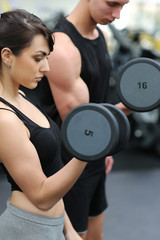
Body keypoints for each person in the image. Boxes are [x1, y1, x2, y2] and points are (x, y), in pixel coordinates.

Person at [20, 1, 132, 239]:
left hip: (96, 151)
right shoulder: (62, 47)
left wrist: (106, 150)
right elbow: (84, 126)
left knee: (95, 235)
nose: (117, 15)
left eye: (123, 5)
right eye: (112, 4)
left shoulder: (99, 34)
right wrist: (134, 103)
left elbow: (97, 102)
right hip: (70, 163)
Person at [0, 9, 90, 240]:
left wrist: (68, 230)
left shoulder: (22, 97)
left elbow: (51, 172)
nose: (46, 68)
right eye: (38, 58)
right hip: (27, 230)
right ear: (7, 55)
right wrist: (86, 153)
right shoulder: (5, 118)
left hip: (54, 227)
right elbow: (41, 195)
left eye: (47, 58)